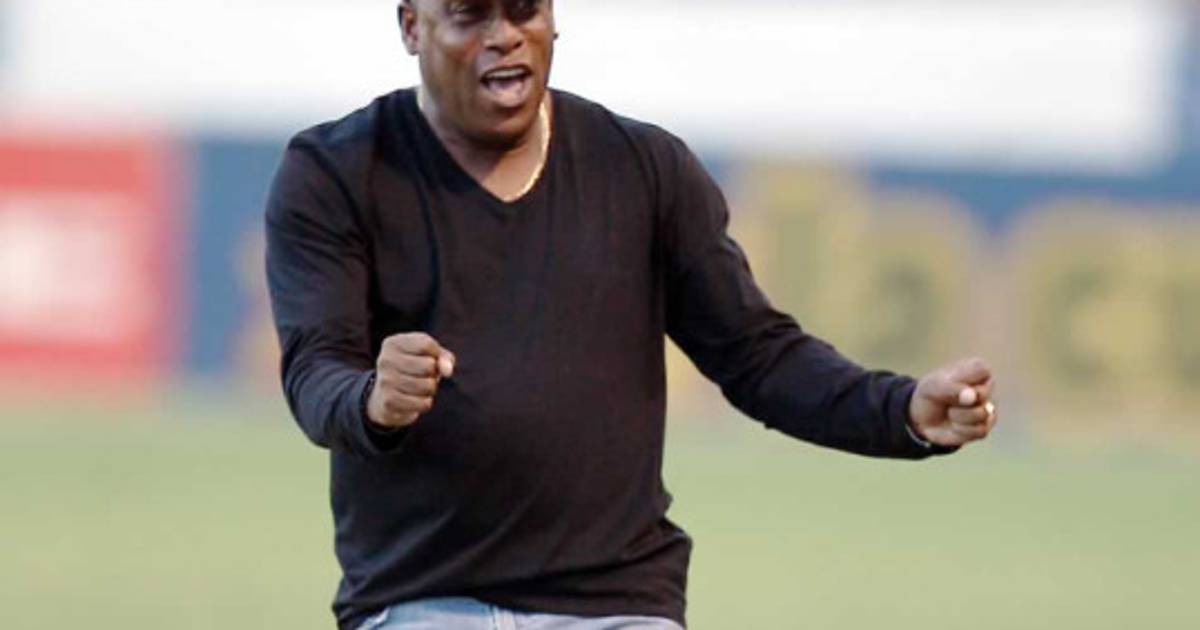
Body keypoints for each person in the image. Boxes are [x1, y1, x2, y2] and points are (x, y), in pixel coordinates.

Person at [264, 1, 998, 628]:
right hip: (423, 601)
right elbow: (315, 368)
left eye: (524, 9)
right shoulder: (336, 171)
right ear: (410, 26)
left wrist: (900, 410)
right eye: (469, 14)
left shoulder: (643, 168)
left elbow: (757, 355)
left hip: (616, 603)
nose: (505, 35)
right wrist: (373, 401)